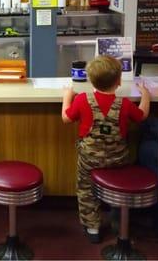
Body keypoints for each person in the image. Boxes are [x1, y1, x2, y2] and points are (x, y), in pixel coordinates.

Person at [61, 55, 150, 243]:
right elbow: (141, 115)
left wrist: (67, 97)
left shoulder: (83, 99)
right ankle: (118, 220)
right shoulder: (125, 104)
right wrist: (146, 95)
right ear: (118, 81)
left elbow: (66, 118)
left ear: (91, 80)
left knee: (85, 189)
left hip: (89, 160)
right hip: (119, 160)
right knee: (120, 185)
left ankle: (92, 227)